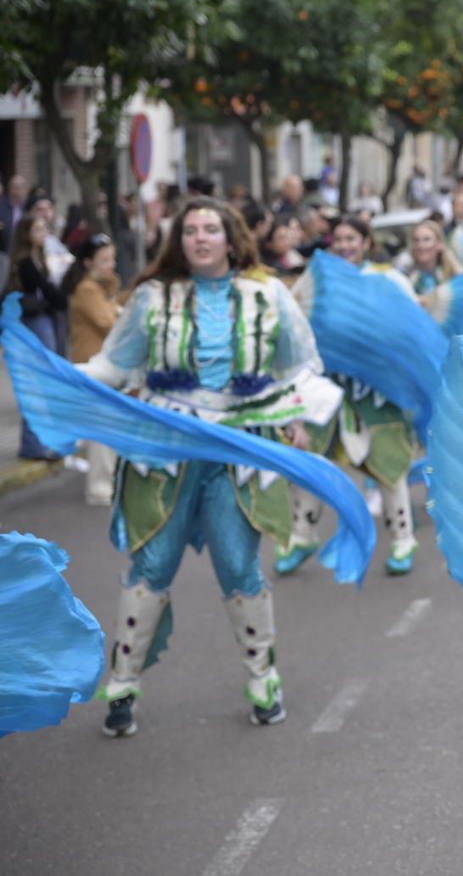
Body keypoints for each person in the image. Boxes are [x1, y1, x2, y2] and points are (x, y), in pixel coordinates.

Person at [76, 197, 332, 735]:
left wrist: (300, 417)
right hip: (165, 453)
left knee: (239, 566)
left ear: (231, 239)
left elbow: (299, 366)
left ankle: (263, 679)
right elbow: (114, 365)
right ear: (179, 240)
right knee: (153, 566)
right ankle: (122, 686)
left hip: (238, 452)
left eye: (210, 229)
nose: (199, 238)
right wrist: (58, 375)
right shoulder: (152, 298)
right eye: (190, 230)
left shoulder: (266, 295)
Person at [276, 215, 421, 576]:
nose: (344, 245)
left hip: (377, 391)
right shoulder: (317, 278)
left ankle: (403, 539)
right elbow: (293, 323)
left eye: (351, 238)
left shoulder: (388, 279)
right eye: (338, 239)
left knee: (389, 466)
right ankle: (302, 535)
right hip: (326, 389)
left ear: (367, 242)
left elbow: (412, 328)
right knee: (307, 463)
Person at [61, 233, 122, 505]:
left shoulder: (103, 288)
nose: (110, 265)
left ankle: (106, 481)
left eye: (112, 259)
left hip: (102, 364)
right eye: (104, 260)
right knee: (101, 429)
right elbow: (107, 322)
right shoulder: (88, 290)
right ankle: (99, 487)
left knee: (105, 426)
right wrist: (120, 313)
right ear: (88, 263)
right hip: (91, 363)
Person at [6, 212, 66, 459]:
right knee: (38, 383)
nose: (43, 234)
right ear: (27, 235)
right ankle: (34, 444)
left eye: (44, 229)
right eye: (38, 230)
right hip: (34, 323)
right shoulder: (26, 262)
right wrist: (59, 299)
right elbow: (47, 290)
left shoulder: (38, 258)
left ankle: (38, 442)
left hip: (39, 320)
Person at [261, 216, 306, 286]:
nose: (287, 242)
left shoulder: (286, 255)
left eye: (287, 237)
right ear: (269, 243)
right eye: (281, 238)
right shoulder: (268, 265)